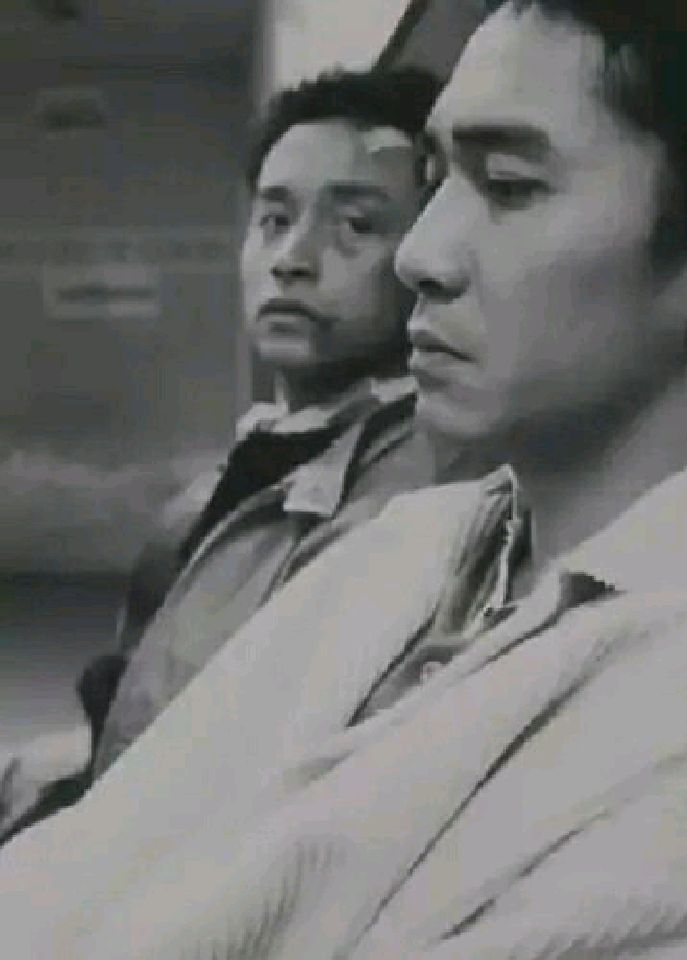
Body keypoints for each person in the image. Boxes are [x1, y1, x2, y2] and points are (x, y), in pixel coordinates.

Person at [2, 3, 687, 958]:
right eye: (434, 179)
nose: (418, 254)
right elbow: (86, 863)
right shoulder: (413, 543)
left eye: (508, 186)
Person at [0, 65, 440, 842]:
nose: (292, 258)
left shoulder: (415, 490)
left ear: (433, 255)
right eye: (273, 219)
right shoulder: (246, 467)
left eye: (356, 226)